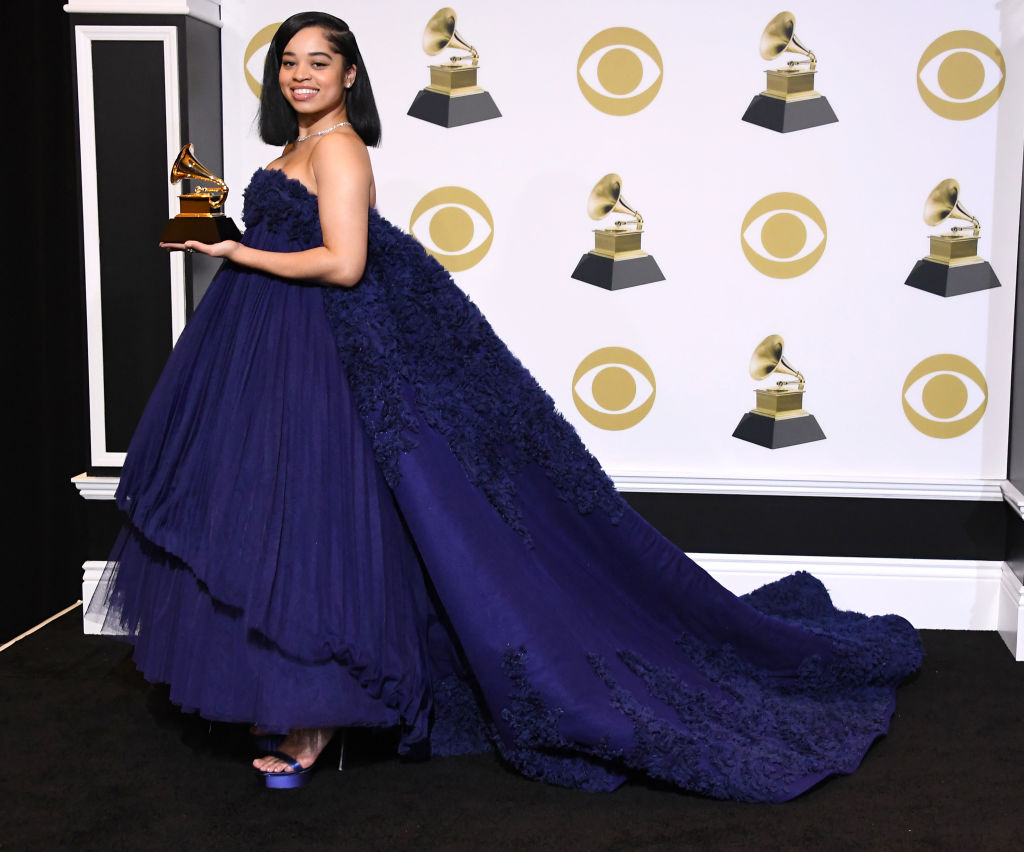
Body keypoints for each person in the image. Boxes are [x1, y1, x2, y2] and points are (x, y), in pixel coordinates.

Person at [100, 11, 923, 799]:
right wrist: (223, 228)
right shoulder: (296, 144)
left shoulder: (342, 150)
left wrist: (234, 247)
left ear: (351, 74)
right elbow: (297, 241)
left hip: (314, 349)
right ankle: (281, 691)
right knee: (265, 512)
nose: (300, 74)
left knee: (314, 524)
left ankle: (313, 720)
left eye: (319, 61)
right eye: (288, 61)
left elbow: (345, 264)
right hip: (262, 344)